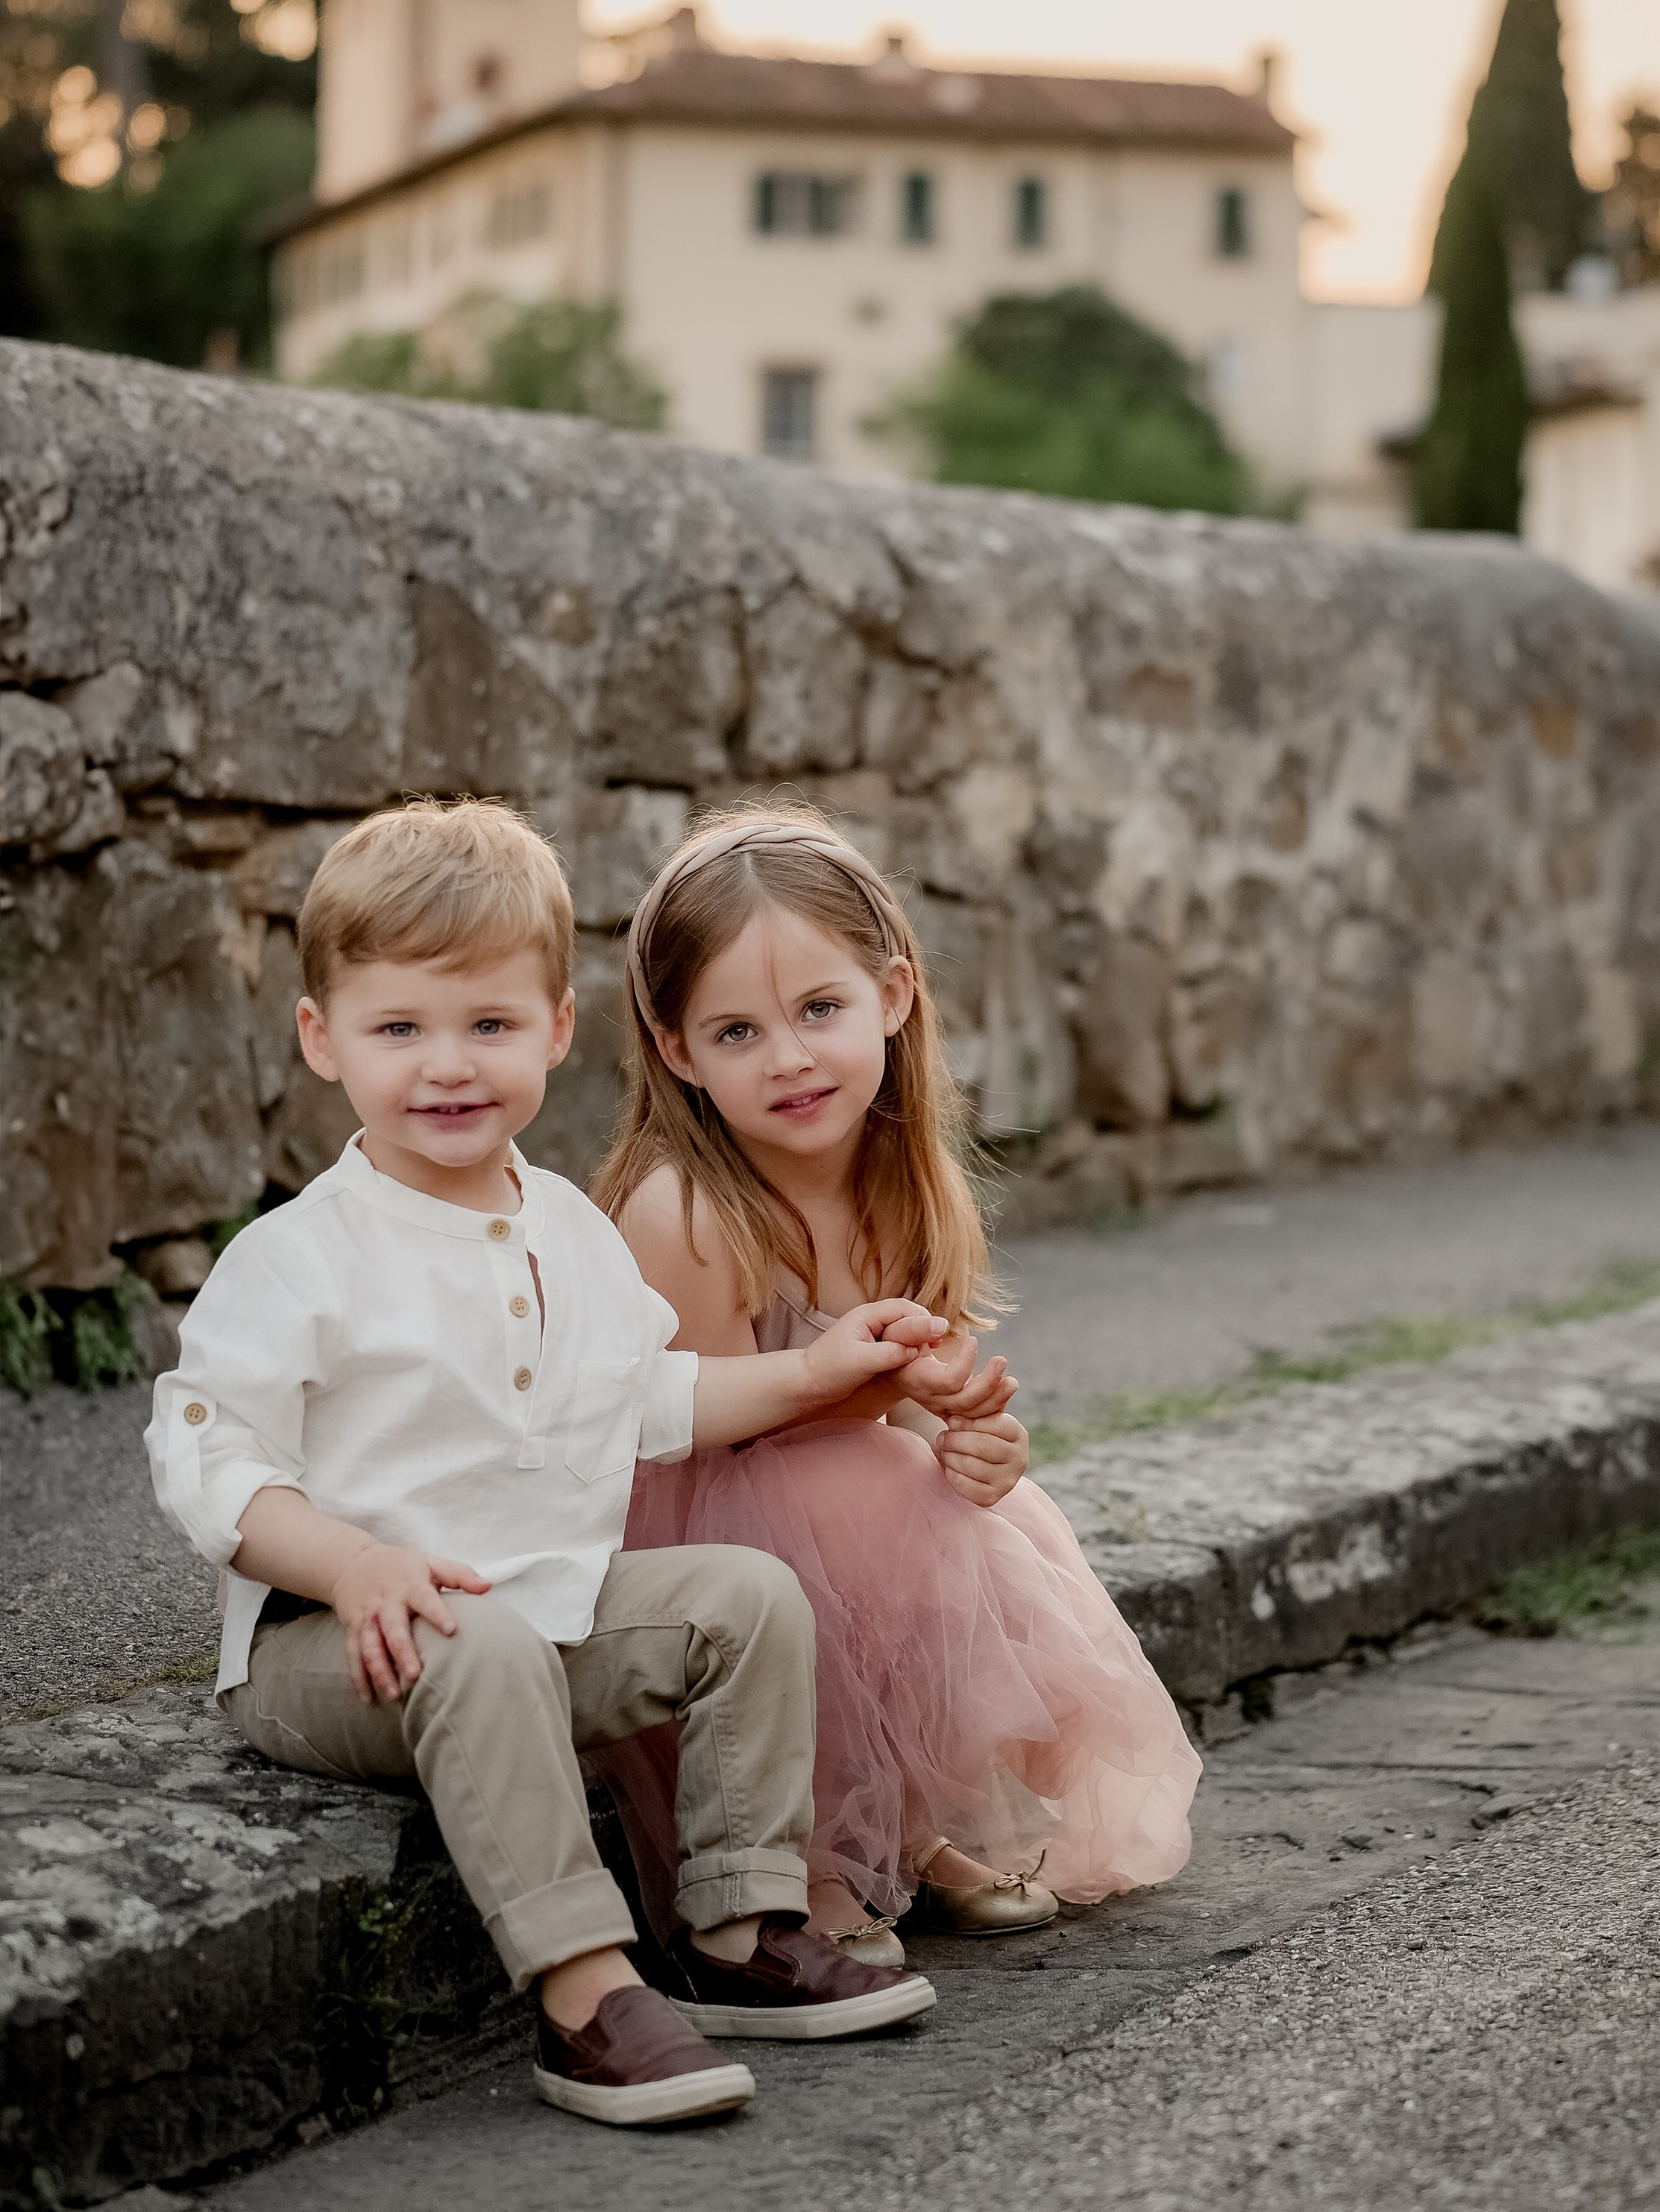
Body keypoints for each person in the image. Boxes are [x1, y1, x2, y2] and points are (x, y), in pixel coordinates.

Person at [146, 798, 969, 2132]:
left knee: (745, 1596)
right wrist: (350, 1564)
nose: (448, 1067)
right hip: (332, 1646)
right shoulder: (304, 1255)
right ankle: (587, 1992)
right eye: (399, 1029)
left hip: (540, 1621)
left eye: (488, 1026)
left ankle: (736, 1933)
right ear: (321, 1040)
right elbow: (204, 1453)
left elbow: (650, 1395)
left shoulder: (570, 1232)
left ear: (557, 1031)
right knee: (468, 1639)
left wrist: (819, 1375)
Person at [593, 807, 1201, 1967]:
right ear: (678, 1051)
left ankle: (910, 1831)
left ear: (895, 995)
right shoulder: (689, 1213)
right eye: (736, 1030)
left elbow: (922, 1397)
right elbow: (679, 1442)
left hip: (833, 1510)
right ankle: (803, 1858)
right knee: (867, 1481)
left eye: (821, 1009)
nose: (790, 1057)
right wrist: (842, 1402)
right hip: (696, 1545)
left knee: (955, 1500)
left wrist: (977, 1440)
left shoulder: (902, 1186)